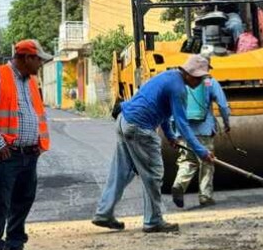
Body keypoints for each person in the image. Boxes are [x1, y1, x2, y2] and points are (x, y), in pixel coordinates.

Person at [92, 55, 214, 233]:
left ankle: (104, 213)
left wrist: (170, 136)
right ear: (190, 74)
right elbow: (183, 124)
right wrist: (201, 151)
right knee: (153, 174)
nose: (201, 81)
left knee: (121, 172)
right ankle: (153, 220)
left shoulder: (169, 76)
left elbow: (163, 111)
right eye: (200, 78)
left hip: (124, 120)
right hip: (139, 128)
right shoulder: (178, 88)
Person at [0, 39, 52, 250]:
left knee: (22, 201)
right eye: (38, 60)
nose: (40, 64)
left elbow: (35, 114)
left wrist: (38, 142)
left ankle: (14, 248)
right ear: (27, 58)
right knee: (0, 202)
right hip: (6, 153)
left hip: (29, 153)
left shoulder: (30, 82)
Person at [170, 70, 231, 208]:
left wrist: (174, 132)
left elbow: (172, 107)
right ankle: (205, 196)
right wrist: (226, 123)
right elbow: (222, 104)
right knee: (207, 162)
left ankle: (179, 184)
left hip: (184, 130)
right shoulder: (209, 81)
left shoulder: (181, 83)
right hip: (204, 131)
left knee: (187, 161)